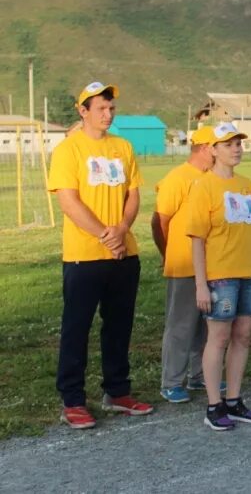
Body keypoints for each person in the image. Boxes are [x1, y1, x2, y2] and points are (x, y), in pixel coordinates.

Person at [49, 82, 152, 429]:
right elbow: (68, 201)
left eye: (111, 109)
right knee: (76, 328)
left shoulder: (122, 147)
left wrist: (122, 229)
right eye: (100, 109)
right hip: (84, 255)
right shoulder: (68, 150)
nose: (107, 115)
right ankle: (73, 399)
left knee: (119, 326)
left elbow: (133, 194)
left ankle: (117, 391)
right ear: (83, 111)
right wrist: (105, 237)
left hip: (124, 253)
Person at [186, 122, 251, 431]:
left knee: (242, 336)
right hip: (220, 276)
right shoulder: (204, 187)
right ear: (212, 150)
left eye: (239, 143)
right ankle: (214, 404)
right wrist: (200, 284)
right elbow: (196, 239)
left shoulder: (248, 185)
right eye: (228, 144)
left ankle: (235, 400)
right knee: (219, 337)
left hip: (250, 274)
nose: (236, 148)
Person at [153, 125, 216, 404]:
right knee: (181, 325)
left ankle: (199, 374)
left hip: (211, 265)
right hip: (183, 264)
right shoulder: (178, 178)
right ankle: (171, 381)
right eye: (218, 146)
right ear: (204, 148)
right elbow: (160, 220)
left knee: (205, 326)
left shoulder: (211, 179)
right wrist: (168, 253)